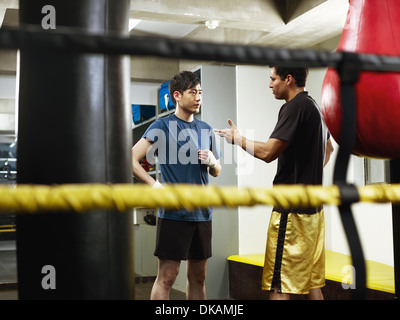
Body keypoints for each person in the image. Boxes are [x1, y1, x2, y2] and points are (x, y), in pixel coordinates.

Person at [215, 66, 334, 300]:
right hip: (314, 212)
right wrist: (308, 175)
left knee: (278, 285)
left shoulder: (294, 107)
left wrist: (238, 139)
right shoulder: (316, 107)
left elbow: (268, 152)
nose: (270, 85)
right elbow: (328, 149)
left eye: (273, 79)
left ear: (288, 79)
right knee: (312, 284)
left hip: (291, 213)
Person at [132, 71, 221, 300]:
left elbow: (217, 171)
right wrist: (155, 186)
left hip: (202, 213)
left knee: (198, 277)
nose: (199, 97)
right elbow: (131, 159)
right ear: (177, 96)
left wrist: (212, 161)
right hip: (174, 214)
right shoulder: (162, 125)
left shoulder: (206, 129)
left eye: (200, 92)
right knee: (168, 277)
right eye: (193, 92)